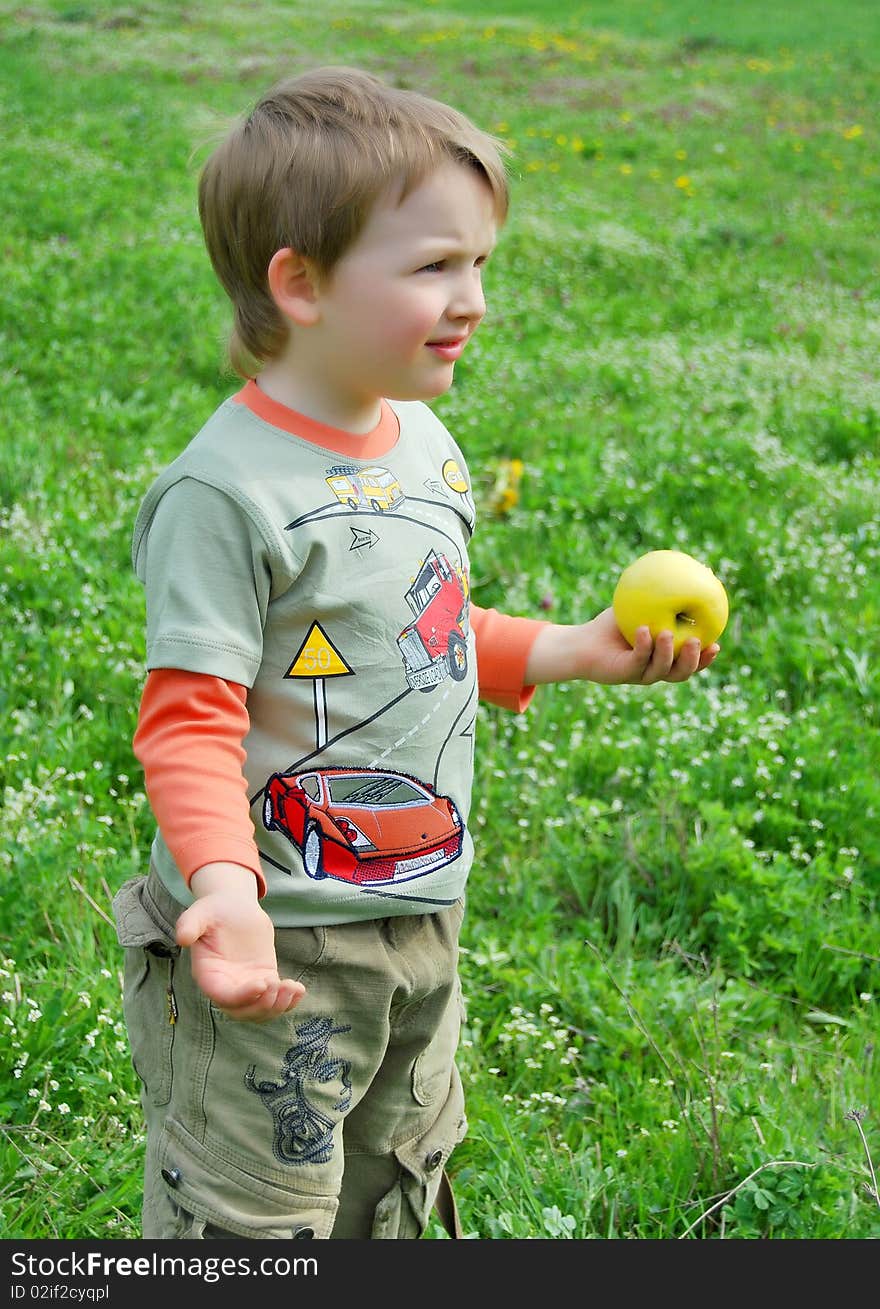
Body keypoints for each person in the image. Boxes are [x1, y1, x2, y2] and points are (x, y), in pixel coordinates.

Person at [113, 65, 719, 1241]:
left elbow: (423, 638)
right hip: (275, 934)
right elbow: (189, 719)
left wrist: (575, 649)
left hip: (416, 911)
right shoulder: (225, 494)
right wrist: (228, 895)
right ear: (300, 283)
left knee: (389, 1187)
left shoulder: (423, 443)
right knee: (253, 1218)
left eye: (480, 262)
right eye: (435, 265)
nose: (473, 297)